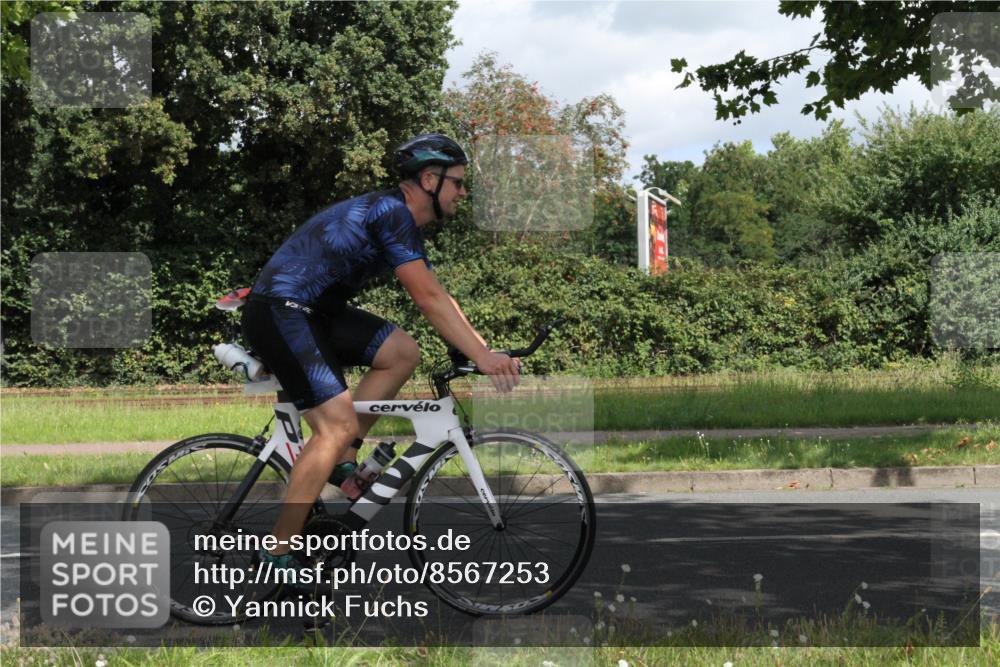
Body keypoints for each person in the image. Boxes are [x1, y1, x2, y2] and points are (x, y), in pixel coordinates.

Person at [241, 133, 520, 575]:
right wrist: (482, 358)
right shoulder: (392, 213)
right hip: (283, 310)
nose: (463, 192)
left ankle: (343, 461)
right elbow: (426, 297)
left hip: (314, 312)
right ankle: (278, 553)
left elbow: (438, 295)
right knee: (333, 427)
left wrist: (482, 349)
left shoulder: (397, 217)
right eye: (458, 182)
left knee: (401, 352)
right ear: (429, 179)